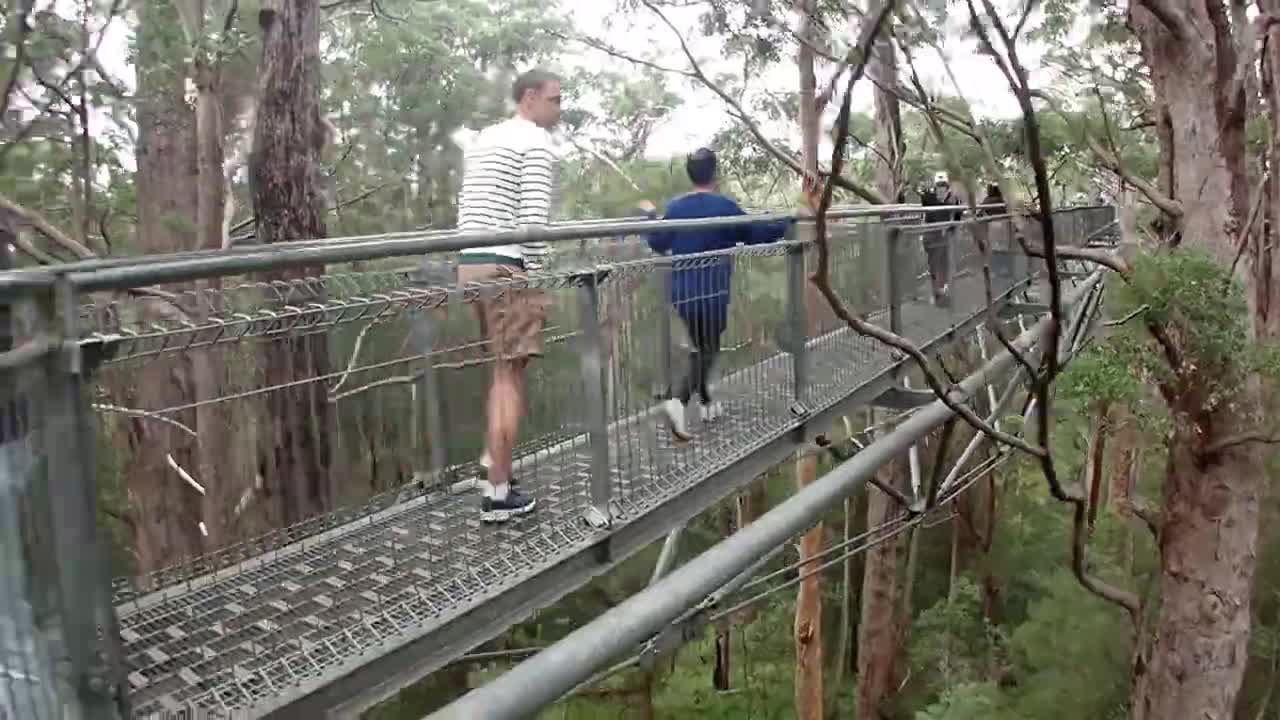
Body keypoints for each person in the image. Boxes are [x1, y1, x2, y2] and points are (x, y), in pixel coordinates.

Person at [637, 148, 811, 441]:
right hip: (712, 293)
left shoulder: (677, 208)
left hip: (682, 294)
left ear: (690, 174)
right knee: (708, 349)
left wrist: (650, 216)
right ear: (714, 173)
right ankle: (677, 401)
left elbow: (657, 241)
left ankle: (705, 400)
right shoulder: (723, 206)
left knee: (701, 346)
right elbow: (757, 232)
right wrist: (790, 219)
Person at [455, 68, 562, 522]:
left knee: (503, 370)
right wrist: (533, 273)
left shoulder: (487, 138)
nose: (561, 107)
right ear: (531, 98)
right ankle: (497, 495)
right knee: (507, 377)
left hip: (471, 260)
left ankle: (491, 465)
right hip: (506, 264)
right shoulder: (534, 141)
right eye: (556, 99)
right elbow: (533, 218)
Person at [920, 171, 962, 306]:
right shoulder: (929, 197)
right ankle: (937, 293)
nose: (941, 188)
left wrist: (950, 228)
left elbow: (957, 216)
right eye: (939, 185)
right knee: (934, 266)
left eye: (943, 185)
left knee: (944, 265)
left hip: (945, 237)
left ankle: (943, 293)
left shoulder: (953, 199)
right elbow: (927, 213)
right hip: (932, 237)